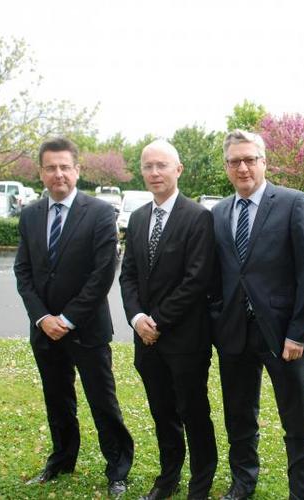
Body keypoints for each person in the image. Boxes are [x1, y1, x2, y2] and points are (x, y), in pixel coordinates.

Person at [14, 137, 133, 497]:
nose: (58, 174)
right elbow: (24, 272)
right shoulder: (31, 214)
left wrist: (66, 319)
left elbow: (102, 273)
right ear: (41, 172)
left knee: (102, 400)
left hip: (86, 329)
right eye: (51, 167)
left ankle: (117, 469)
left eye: (65, 166)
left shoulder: (98, 212)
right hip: (44, 331)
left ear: (77, 170)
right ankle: (62, 458)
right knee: (57, 398)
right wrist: (42, 318)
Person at [209, 129, 304, 500]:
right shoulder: (220, 211)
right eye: (235, 161)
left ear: (263, 162)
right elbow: (218, 273)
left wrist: (299, 332)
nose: (243, 167)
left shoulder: (292, 203)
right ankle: (242, 483)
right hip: (235, 334)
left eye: (250, 159)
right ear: (226, 167)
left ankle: (301, 492)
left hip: (284, 335)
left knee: (296, 421)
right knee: (238, 416)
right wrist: (217, 319)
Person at [119, 140, 217, 500]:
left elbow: (197, 280)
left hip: (185, 340)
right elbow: (127, 274)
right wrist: (136, 318)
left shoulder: (198, 217)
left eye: (162, 165)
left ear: (178, 170)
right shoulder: (139, 217)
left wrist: (157, 321)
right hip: (146, 340)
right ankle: (168, 477)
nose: (155, 172)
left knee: (194, 413)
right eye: (148, 166)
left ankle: (201, 482)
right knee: (162, 414)